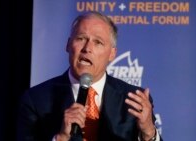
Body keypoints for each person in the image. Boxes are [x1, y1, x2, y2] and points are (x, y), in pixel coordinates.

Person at [17, 11, 162, 141]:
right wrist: (61, 138)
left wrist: (148, 132)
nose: (87, 49)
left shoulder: (133, 100)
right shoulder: (35, 100)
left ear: (112, 54)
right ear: (68, 45)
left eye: (98, 42)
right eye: (81, 38)